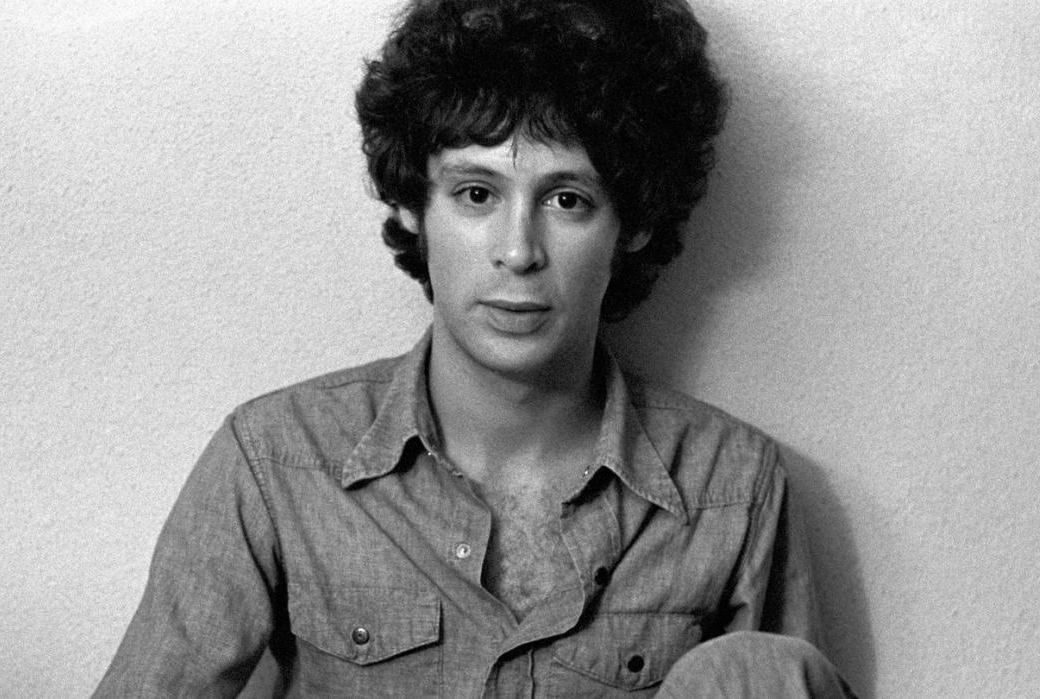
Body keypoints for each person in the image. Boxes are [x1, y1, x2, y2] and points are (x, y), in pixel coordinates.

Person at [96, 0, 856, 696]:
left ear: (635, 224)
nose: (518, 251)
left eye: (568, 200)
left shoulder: (735, 486)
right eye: (476, 194)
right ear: (412, 207)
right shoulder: (275, 460)